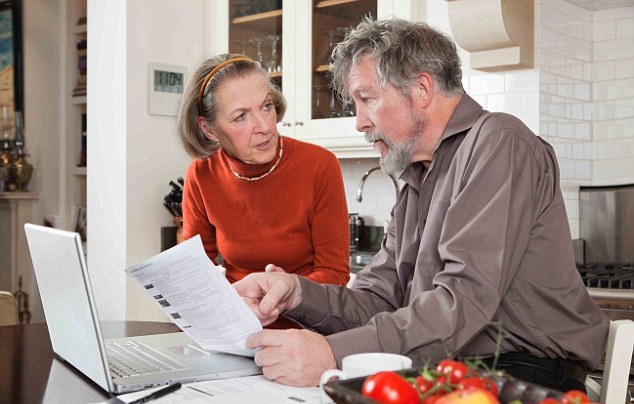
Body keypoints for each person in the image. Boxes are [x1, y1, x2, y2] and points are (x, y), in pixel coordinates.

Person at [233, 18, 610, 390]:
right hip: (452, 367)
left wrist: (331, 354)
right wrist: (297, 293)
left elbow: (463, 300)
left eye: (367, 100)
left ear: (422, 90)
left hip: (528, 374)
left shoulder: (500, 143)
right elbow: (379, 299)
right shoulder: (416, 177)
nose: (360, 123)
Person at [178, 54, 350, 328]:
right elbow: (196, 274)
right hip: (238, 328)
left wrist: (285, 291)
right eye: (241, 117)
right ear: (208, 129)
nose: (264, 127)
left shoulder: (319, 166)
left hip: (310, 330)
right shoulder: (202, 175)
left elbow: (335, 274)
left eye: (266, 106)